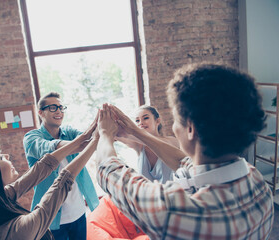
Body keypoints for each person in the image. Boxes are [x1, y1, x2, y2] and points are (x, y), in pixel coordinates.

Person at [95, 63, 274, 239]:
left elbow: (108, 170)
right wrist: (135, 131)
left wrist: (104, 132)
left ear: (190, 128)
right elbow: (183, 162)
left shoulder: (174, 210)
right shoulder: (257, 181)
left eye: (176, 119)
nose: (174, 127)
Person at [0, 120, 98, 240]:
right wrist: (96, 140)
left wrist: (82, 140)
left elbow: (39, 170)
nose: (7, 156)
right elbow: (62, 184)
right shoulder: (19, 232)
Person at [86, 105, 179, 240]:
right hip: (145, 205)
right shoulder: (138, 146)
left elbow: (153, 142)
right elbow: (114, 136)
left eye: (145, 118)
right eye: (137, 120)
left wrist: (132, 131)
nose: (141, 122)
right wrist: (107, 123)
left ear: (157, 121)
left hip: (166, 204)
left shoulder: (171, 142)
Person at [23, 92, 99, 240]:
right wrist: (78, 143)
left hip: (78, 212)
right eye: (52, 107)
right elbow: (48, 148)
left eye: (60, 107)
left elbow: (88, 139)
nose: (58, 111)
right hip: (51, 219)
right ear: (40, 112)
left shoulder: (69, 132)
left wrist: (98, 124)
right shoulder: (31, 137)